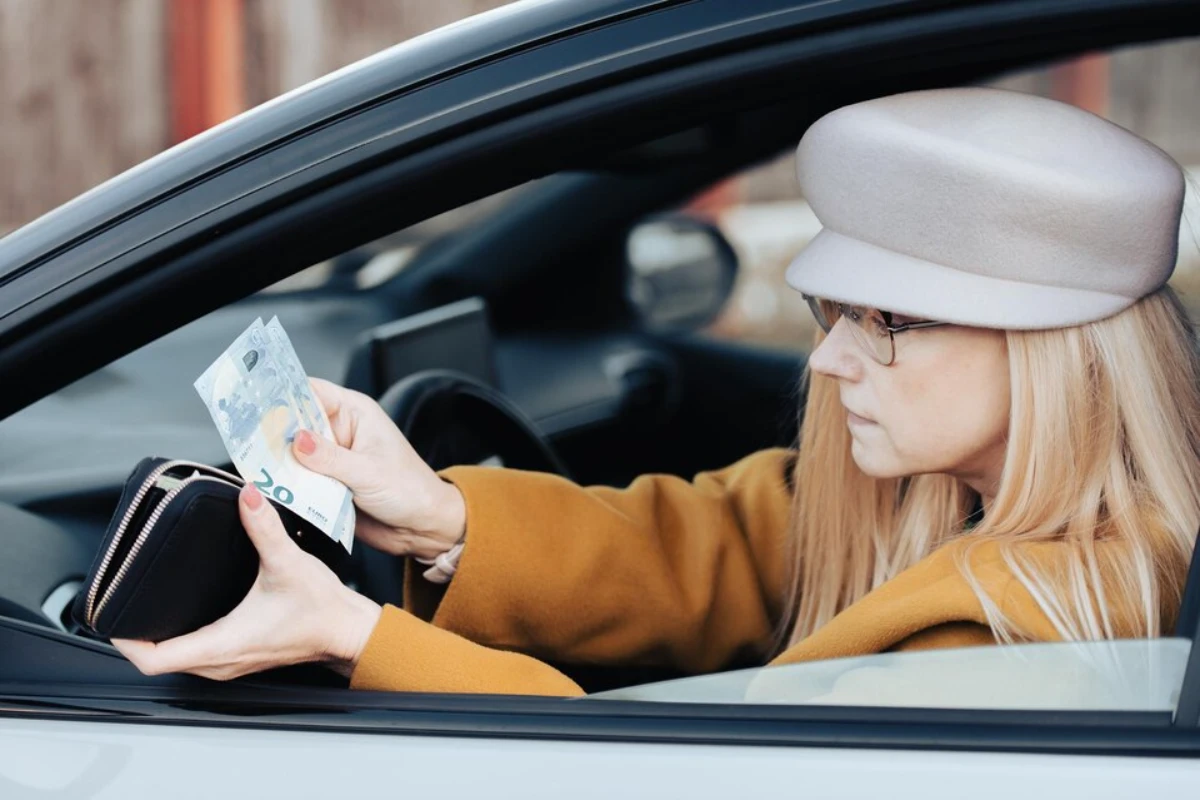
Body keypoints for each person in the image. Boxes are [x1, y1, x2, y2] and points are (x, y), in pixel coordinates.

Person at [114, 86, 1200, 698]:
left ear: (1056, 354)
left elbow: (685, 780)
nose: (830, 361)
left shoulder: (1011, 643)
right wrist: (442, 516)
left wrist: (357, 635)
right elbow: (719, 542)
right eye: (835, 314)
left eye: (892, 323)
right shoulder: (938, 492)